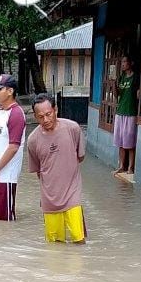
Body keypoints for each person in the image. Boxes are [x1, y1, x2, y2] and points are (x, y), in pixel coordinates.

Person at [27, 93, 87, 243]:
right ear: (35, 117)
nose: (46, 120)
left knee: (78, 239)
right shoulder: (33, 140)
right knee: (55, 245)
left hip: (72, 194)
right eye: (41, 116)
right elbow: (39, 171)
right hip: (49, 199)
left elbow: (80, 157)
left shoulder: (72, 128)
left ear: (56, 110)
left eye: (48, 114)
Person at [0, 73, 26, 221]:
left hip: (6, 176)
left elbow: (13, 147)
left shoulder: (16, 114)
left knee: (5, 220)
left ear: (10, 91)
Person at [114, 55, 139, 175]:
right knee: (120, 142)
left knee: (129, 142)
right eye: (122, 62)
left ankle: (130, 167)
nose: (123, 64)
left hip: (130, 112)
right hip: (120, 111)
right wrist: (114, 84)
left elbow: (138, 95)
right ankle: (121, 166)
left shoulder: (135, 78)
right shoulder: (121, 77)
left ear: (130, 63)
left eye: (125, 61)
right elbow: (117, 94)